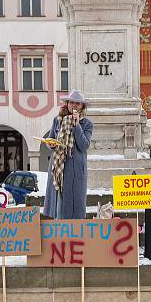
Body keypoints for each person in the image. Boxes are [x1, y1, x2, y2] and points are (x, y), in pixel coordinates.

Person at [43, 89, 94, 220]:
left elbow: (84, 145)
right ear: (67, 104)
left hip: (75, 170)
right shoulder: (58, 120)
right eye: (71, 102)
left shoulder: (86, 123)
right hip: (58, 167)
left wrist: (77, 125)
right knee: (58, 202)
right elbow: (50, 139)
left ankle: (72, 234)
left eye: (78, 103)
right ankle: (58, 231)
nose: (74, 106)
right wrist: (51, 144)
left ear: (82, 106)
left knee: (73, 204)